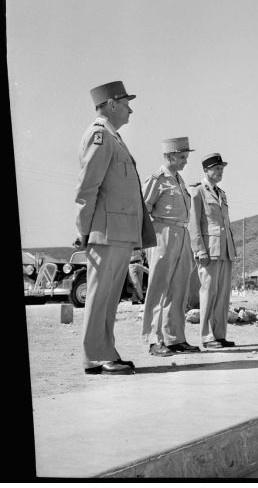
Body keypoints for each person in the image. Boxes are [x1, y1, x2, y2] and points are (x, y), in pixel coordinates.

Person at [75, 80, 156, 375]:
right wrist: (84, 231)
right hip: (106, 231)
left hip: (118, 231)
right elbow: (87, 189)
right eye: (125, 103)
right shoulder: (100, 136)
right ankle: (96, 356)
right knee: (100, 297)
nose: (130, 109)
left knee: (109, 298)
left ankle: (104, 352)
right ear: (111, 105)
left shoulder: (113, 138)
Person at [142, 137, 200, 356]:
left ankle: (175, 338)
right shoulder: (157, 180)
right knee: (158, 289)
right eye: (183, 157)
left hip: (182, 234)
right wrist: (148, 243)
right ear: (170, 155)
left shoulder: (178, 180)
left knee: (179, 289)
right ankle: (153, 340)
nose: (186, 161)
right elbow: (144, 211)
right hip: (162, 234)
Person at [189, 153, 237, 349]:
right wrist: (199, 250)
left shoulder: (221, 193)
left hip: (225, 250)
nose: (220, 171)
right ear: (206, 170)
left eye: (222, 168)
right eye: (216, 168)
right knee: (208, 292)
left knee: (223, 294)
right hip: (209, 250)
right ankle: (207, 337)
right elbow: (194, 224)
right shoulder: (198, 192)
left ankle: (219, 334)